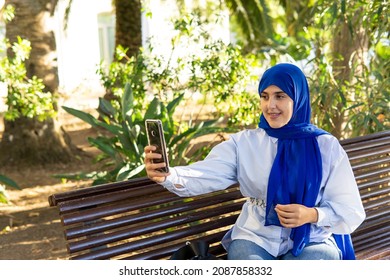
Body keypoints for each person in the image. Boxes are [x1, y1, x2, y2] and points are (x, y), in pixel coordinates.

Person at [144, 63, 366, 260]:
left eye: (280, 96)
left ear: (298, 98)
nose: (270, 105)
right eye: (264, 96)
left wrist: (312, 214)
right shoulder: (245, 144)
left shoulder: (325, 146)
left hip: (312, 237)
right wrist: (169, 175)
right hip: (256, 236)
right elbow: (207, 174)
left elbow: (350, 209)